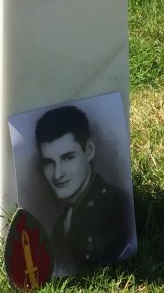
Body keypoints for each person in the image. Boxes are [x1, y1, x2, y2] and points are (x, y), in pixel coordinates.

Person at [34, 105, 134, 275]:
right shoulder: (62, 223)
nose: (57, 174)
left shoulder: (118, 206)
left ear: (89, 151)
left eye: (67, 158)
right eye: (49, 162)